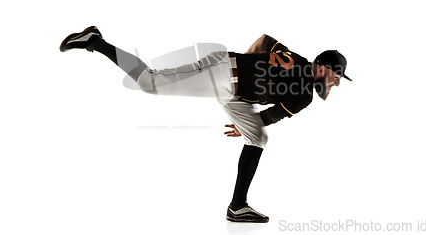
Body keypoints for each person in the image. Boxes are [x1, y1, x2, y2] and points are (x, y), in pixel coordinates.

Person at [59, 26, 352, 223]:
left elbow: (263, 41)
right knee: (149, 81)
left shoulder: (298, 61)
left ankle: (237, 206)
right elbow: (273, 114)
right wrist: (250, 75)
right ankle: (95, 41)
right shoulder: (304, 93)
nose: (337, 83)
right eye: (337, 76)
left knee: (258, 139)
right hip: (224, 76)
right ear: (324, 68)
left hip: (232, 84)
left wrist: (254, 64)